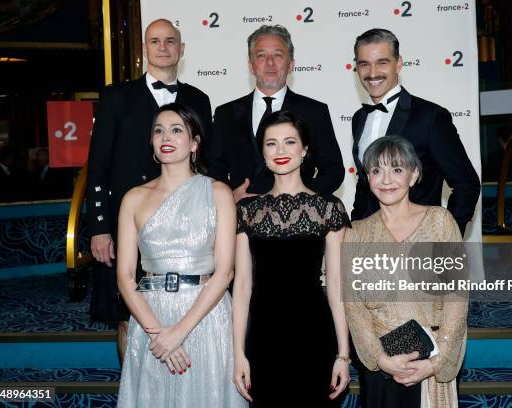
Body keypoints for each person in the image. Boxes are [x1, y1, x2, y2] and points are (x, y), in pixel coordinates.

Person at [86, 18, 212, 361]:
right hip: (127, 225)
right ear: (145, 49)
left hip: (184, 229)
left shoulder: (199, 99)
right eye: (155, 41)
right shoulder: (116, 97)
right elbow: (98, 166)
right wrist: (99, 228)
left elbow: (205, 162)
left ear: (181, 49)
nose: (163, 47)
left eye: (170, 41)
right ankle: (136, 387)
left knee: (186, 310)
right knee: (127, 317)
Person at [116, 103, 245, 407]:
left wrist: (180, 332)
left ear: (195, 143)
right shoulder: (133, 198)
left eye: (177, 130)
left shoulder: (218, 193)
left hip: (206, 315)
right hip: (151, 316)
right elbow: (124, 275)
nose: (166, 137)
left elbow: (225, 271)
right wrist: (158, 333)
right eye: (159, 131)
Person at [233, 111, 351, 406]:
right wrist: (238, 354)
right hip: (263, 336)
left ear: (305, 150)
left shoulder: (329, 209)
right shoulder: (247, 211)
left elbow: (337, 286)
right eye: (271, 144)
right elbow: (242, 287)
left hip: (314, 333)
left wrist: (343, 355)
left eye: (289, 142)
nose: (281, 151)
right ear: (262, 153)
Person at [343, 135, 468, 408]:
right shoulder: (356, 234)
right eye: (377, 170)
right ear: (367, 179)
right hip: (381, 365)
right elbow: (354, 309)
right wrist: (380, 359)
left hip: (432, 356)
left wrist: (437, 362)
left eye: (397, 169)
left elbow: (457, 297)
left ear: (414, 176)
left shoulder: (440, 222)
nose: (386, 180)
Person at [351, 28, 480, 235]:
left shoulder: (430, 117)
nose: (372, 73)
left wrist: (445, 239)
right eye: (364, 64)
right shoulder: (359, 118)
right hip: (368, 243)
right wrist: (355, 228)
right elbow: (365, 182)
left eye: (382, 62)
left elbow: (467, 184)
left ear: (399, 64)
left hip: (417, 244)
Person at [207, 24, 344, 202]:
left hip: (298, 219)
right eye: (261, 55)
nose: (270, 62)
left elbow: (333, 169)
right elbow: (214, 167)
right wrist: (228, 197)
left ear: (291, 65)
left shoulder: (314, 111)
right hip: (241, 218)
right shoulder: (225, 113)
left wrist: (304, 198)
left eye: (278, 55)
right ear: (251, 65)